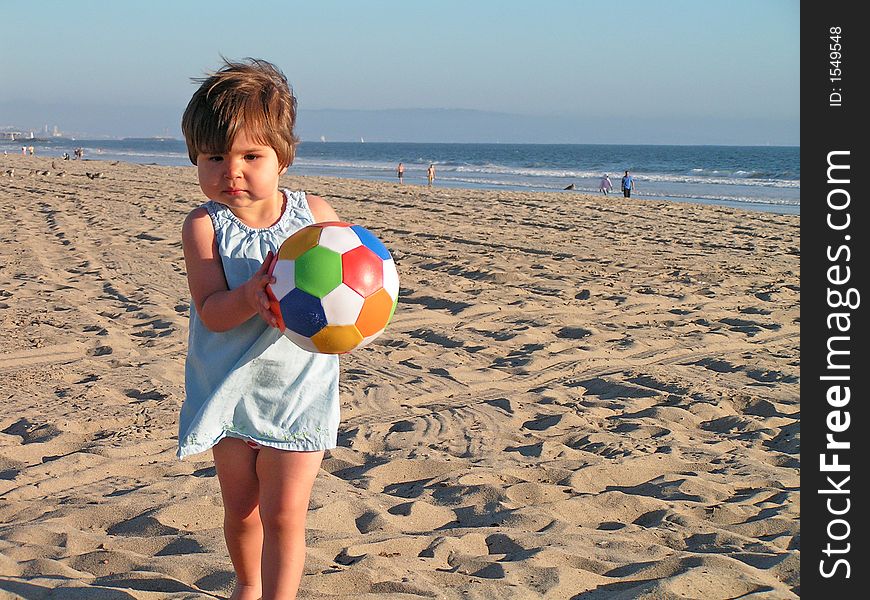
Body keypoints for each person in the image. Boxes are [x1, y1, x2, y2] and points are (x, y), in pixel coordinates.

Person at [178, 58, 341, 600]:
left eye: (251, 156)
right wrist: (251, 295)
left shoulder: (314, 215)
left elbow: (355, 280)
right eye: (214, 157)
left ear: (283, 158)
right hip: (229, 388)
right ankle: (248, 584)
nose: (233, 171)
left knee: (285, 512)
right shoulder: (204, 226)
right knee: (243, 511)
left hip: (298, 389)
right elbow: (210, 310)